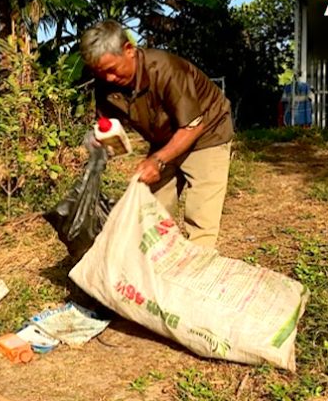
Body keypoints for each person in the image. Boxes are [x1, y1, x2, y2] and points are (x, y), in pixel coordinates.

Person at [79, 19, 234, 249]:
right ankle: (159, 269)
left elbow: (193, 125)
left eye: (112, 69)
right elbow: (108, 125)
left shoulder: (166, 69)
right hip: (165, 137)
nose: (108, 78)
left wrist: (158, 160)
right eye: (100, 73)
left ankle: (197, 273)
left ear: (129, 50)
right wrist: (97, 145)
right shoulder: (106, 82)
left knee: (201, 216)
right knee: (154, 212)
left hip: (207, 132)